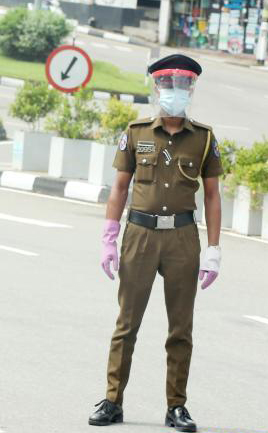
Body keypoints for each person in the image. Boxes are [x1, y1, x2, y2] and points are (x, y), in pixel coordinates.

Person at [89, 54, 223, 433]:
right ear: (156, 88)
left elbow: (211, 196)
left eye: (182, 86)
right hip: (140, 237)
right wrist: (109, 239)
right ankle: (113, 401)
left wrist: (213, 249)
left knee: (180, 329)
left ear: (191, 90)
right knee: (126, 324)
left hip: (182, 238)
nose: (175, 93)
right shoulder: (135, 133)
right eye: (168, 85)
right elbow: (119, 188)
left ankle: (176, 407)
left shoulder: (204, 138)